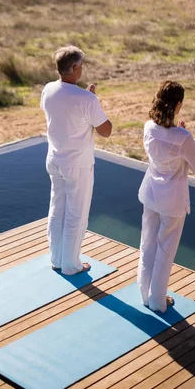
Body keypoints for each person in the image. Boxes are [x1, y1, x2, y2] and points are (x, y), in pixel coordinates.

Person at [41, 45, 112, 275]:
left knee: (57, 208)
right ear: (73, 67)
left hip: (54, 160)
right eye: (80, 65)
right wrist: (91, 99)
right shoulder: (86, 99)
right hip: (77, 165)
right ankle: (71, 265)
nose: (82, 69)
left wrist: (87, 99)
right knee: (76, 215)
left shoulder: (48, 89)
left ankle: (57, 258)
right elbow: (106, 130)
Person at [137, 80, 195, 313]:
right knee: (165, 251)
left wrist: (182, 134)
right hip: (172, 200)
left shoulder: (148, 127)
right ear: (177, 104)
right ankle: (158, 301)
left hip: (151, 194)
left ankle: (144, 294)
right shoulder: (183, 137)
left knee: (147, 244)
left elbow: (163, 146)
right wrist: (187, 137)